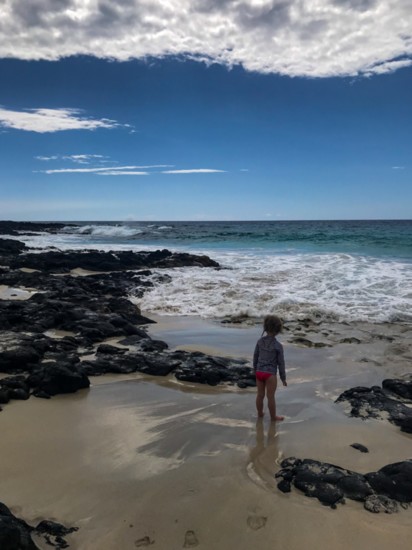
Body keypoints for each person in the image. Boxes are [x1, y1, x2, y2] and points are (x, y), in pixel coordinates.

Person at [253, 314, 287, 421]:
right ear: (278, 330)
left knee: (260, 395)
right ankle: (273, 417)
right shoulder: (278, 346)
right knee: (270, 397)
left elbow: (255, 356)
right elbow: (281, 363)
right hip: (270, 374)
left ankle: (260, 413)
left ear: (265, 327)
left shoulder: (259, 341)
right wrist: (283, 378)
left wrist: (255, 369)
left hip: (259, 372)